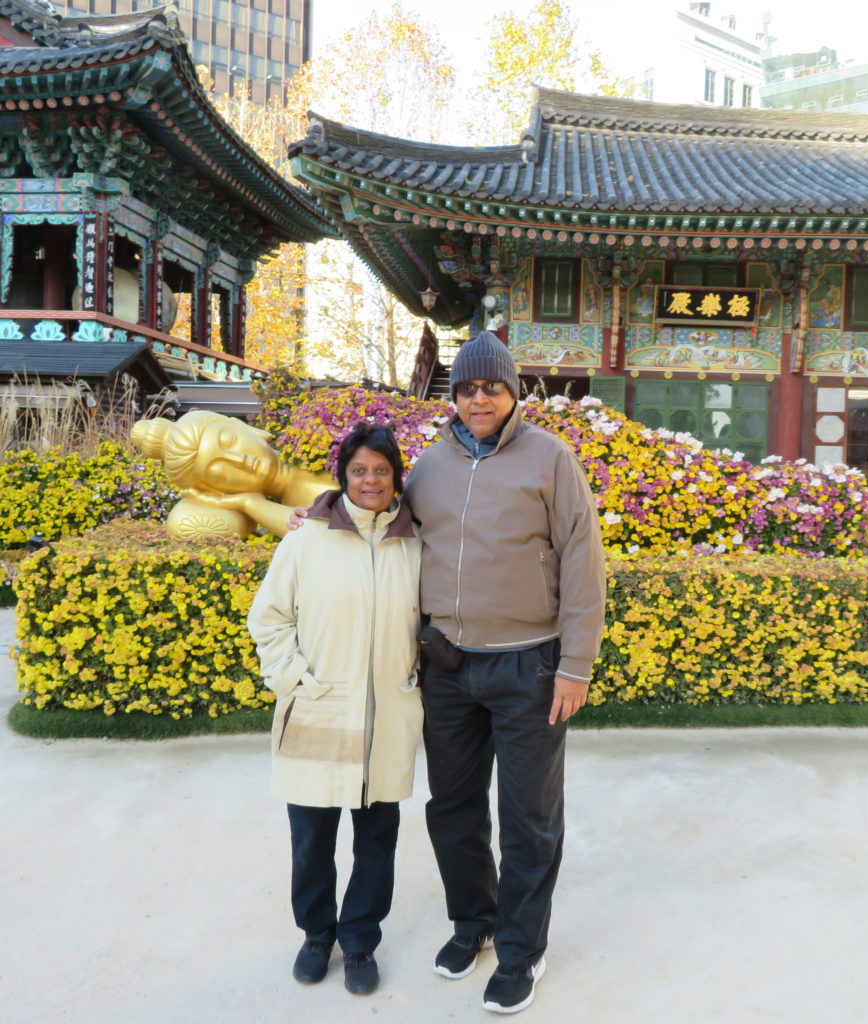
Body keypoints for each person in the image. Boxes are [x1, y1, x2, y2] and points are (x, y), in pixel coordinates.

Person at [290, 331, 606, 1014]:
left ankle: (522, 951)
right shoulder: (429, 466)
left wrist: (575, 664)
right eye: (466, 388)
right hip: (449, 667)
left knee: (529, 817)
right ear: (454, 396)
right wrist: (316, 515)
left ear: (513, 391)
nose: (478, 398)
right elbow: (373, 509)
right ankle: (475, 922)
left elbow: (583, 561)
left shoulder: (551, 461)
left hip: (531, 664)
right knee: (453, 811)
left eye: (490, 386)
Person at [247, 422, 423, 997]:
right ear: (342, 475)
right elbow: (269, 618)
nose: (371, 480)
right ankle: (317, 935)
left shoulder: (415, 540)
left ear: (396, 476)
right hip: (319, 709)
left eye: (381, 470)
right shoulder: (306, 538)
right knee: (311, 839)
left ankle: (361, 940)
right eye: (359, 470)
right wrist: (294, 682)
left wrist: (412, 676)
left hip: (388, 718)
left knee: (377, 840)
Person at [131, 411, 335, 538]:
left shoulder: (317, 438)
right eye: (220, 472)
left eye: (230, 441)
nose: (240, 460)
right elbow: (322, 539)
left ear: (241, 426)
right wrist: (248, 503)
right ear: (219, 491)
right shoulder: (290, 507)